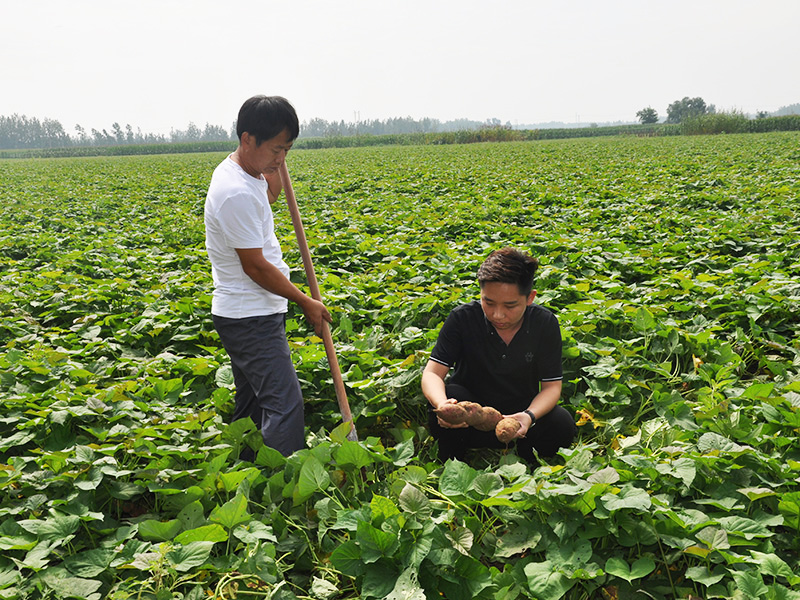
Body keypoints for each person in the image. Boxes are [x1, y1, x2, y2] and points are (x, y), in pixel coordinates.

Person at [204, 95, 331, 458]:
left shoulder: (245, 170)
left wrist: (275, 161)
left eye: (287, 149)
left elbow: (271, 194)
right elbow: (255, 267)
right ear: (248, 140)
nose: (281, 159)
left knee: (252, 406)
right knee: (284, 405)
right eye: (276, 149)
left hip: (248, 312)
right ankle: (283, 483)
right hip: (250, 317)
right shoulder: (235, 193)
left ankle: (242, 470)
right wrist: (305, 301)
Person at [421, 248, 576, 463]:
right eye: (489, 302)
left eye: (510, 305)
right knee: (446, 397)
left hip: (519, 414)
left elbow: (552, 388)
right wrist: (443, 404)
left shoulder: (544, 323)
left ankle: (522, 450)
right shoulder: (462, 318)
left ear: (529, 298)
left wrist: (529, 416)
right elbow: (432, 374)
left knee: (561, 423)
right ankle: (454, 458)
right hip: (471, 416)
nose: (498, 314)